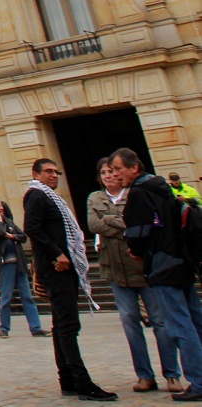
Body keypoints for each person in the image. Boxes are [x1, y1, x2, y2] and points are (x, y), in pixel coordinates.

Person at [110, 147, 202, 402]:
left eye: (118, 169)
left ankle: (198, 380)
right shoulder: (162, 188)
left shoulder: (139, 193)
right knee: (196, 320)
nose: (115, 174)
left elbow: (138, 232)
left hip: (162, 264)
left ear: (134, 168)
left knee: (179, 324)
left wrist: (137, 251)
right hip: (182, 261)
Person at [24, 158, 115, 401]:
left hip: (64, 266)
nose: (54, 175)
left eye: (56, 172)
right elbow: (32, 228)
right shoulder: (36, 195)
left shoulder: (50, 196)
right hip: (57, 267)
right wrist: (58, 253)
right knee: (68, 325)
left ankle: (68, 379)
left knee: (61, 324)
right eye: (48, 172)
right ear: (36, 174)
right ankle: (82, 382)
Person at [89, 159, 182, 394]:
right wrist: (121, 224)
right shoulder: (95, 198)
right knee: (130, 322)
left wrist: (110, 221)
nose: (109, 175)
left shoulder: (137, 194)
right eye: (104, 172)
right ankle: (144, 375)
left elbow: (140, 223)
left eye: (112, 171)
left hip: (142, 265)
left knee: (160, 321)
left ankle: (172, 374)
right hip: (115, 267)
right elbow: (93, 225)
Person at [0, 198, 45, 339]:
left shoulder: (9, 221)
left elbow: (22, 237)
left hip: (19, 262)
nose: (1, 208)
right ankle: (4, 328)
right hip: (6, 263)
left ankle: (36, 327)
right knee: (6, 296)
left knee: (27, 296)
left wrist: (10, 235)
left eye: (1, 206)